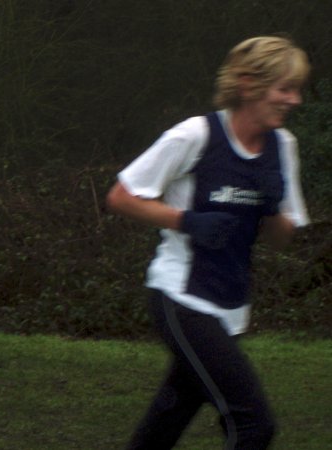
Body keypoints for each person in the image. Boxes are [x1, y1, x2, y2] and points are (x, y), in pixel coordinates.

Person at [106, 36, 311, 449]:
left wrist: (273, 209)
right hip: (181, 295)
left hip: (231, 307)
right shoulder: (195, 135)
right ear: (249, 84)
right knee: (253, 424)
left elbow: (281, 239)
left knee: (168, 418)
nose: (295, 100)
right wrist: (186, 221)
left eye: (297, 90)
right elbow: (122, 196)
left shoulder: (283, 146)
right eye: (285, 89)